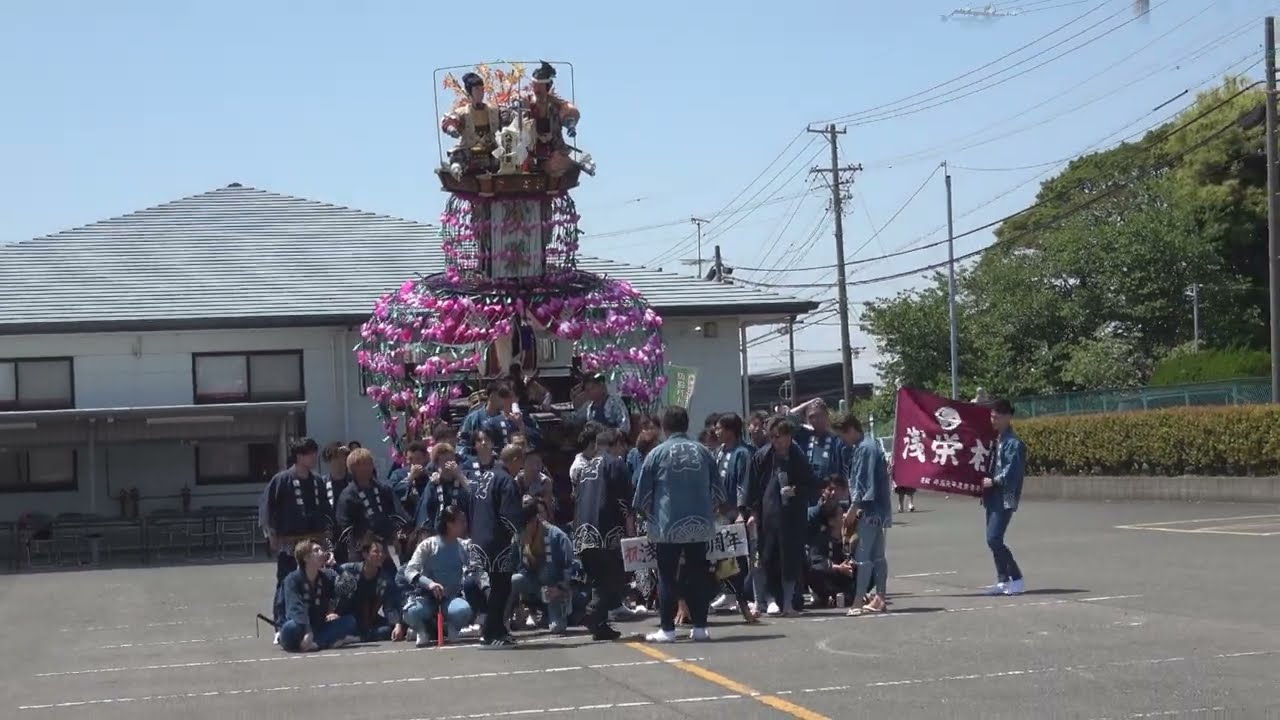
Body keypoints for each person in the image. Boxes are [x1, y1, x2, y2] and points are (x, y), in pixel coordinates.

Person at [634, 406, 722, 643]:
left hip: (668, 524)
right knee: (699, 573)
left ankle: (667, 629)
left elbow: (642, 497)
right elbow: (718, 492)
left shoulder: (656, 454)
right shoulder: (704, 452)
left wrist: (650, 517)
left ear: (664, 426)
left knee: (667, 576)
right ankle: (701, 627)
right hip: (700, 523)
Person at [742, 417, 814, 617]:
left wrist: (796, 490)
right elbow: (752, 489)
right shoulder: (762, 455)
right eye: (772, 437)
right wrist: (752, 513)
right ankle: (760, 601)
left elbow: (812, 482)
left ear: (789, 435)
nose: (776, 441)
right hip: (766, 515)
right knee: (761, 559)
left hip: (792, 516)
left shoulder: (797, 456)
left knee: (789, 560)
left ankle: (789, 603)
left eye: (780, 436)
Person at [263, 437, 333, 636]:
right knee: (286, 582)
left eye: (314, 453)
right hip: (289, 540)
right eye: (309, 453)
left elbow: (326, 511)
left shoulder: (318, 481)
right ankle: (281, 626)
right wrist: (272, 534)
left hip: (313, 540)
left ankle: (312, 623)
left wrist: (327, 535)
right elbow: (268, 509)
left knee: (315, 581)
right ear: (299, 456)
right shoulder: (281, 480)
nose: (313, 457)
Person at [571, 427, 632, 641]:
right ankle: (592, 614)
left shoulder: (585, 469)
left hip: (583, 532)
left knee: (598, 580)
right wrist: (630, 532)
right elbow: (624, 503)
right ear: (614, 444)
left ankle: (600, 624)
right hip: (606, 532)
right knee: (613, 579)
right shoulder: (615, 464)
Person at [468, 443, 526, 648]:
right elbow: (509, 515)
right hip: (496, 540)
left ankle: (498, 629)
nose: (521, 468)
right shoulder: (506, 480)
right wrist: (520, 527)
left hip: (479, 537)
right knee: (500, 587)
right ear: (514, 460)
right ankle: (490, 632)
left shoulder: (484, 477)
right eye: (520, 462)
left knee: (500, 585)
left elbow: (471, 506)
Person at [835, 412, 892, 616]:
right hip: (877, 508)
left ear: (850, 430)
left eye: (843, 435)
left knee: (864, 556)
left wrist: (852, 509)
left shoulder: (865, 448)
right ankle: (880, 597)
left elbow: (863, 483)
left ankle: (859, 600)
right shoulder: (869, 445)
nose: (844, 440)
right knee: (877, 556)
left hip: (869, 509)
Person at [402, 506, 475, 647]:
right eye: (461, 521)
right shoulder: (428, 545)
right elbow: (409, 570)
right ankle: (422, 631)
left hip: (450, 598)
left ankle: (452, 629)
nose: (464, 525)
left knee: (464, 610)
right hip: (426, 597)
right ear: (449, 524)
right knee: (410, 612)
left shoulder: (462, 546)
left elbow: (473, 569)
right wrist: (429, 583)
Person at [709, 413, 753, 620]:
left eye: (720, 428)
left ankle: (743, 594)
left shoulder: (743, 453)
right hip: (720, 510)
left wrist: (741, 511)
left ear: (730, 430)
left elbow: (743, 483)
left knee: (739, 555)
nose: (716, 432)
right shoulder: (719, 452)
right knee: (722, 554)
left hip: (735, 511)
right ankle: (727, 593)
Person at [279, 539, 359, 652]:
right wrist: (307, 631)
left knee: (350, 621)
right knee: (291, 627)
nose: (322, 553)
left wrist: (335, 566)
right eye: (316, 550)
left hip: (318, 626)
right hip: (299, 626)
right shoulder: (292, 579)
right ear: (305, 557)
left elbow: (350, 585)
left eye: (321, 549)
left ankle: (314, 644)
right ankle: (321, 642)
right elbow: (295, 607)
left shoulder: (326, 577)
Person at [512, 496, 576, 635]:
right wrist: (518, 604)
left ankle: (558, 611)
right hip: (533, 586)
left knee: (557, 629)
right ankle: (503, 621)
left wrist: (560, 588)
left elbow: (573, 567)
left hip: (555, 589)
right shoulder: (518, 537)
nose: (521, 533)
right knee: (513, 581)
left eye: (524, 528)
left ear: (534, 521)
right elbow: (515, 566)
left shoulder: (557, 536)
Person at [983, 399, 1027, 596]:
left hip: (1005, 496)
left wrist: (994, 481)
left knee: (994, 538)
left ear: (1008, 417)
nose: (993, 421)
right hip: (991, 496)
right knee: (992, 539)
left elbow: (1012, 472)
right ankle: (1002, 579)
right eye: (992, 417)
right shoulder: (995, 440)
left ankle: (1016, 577)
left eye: (997, 417)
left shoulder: (1014, 444)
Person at [336, 447, 409, 564]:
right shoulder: (347, 495)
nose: (368, 468)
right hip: (363, 550)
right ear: (353, 469)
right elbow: (344, 525)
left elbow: (397, 512)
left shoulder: (383, 489)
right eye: (362, 465)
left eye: (370, 463)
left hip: (387, 544)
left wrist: (397, 536)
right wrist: (354, 549)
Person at [334, 535, 407, 642]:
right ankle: (357, 636)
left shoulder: (384, 579)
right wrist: (330, 611)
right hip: (345, 617)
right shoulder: (348, 570)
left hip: (368, 620)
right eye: (376, 552)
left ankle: (357, 638)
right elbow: (331, 593)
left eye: (382, 552)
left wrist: (397, 625)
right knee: (348, 623)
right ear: (365, 554)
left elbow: (389, 606)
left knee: (389, 629)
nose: (381, 555)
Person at [524, 60, 580, 178]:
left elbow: (569, 112)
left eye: (540, 85)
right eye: (535, 85)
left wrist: (570, 124)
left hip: (552, 149)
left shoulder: (556, 104)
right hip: (529, 150)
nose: (537, 89)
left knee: (566, 166)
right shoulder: (525, 102)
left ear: (548, 87)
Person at [807, 478, 856, 608]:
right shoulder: (820, 533)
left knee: (864, 568)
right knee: (814, 571)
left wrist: (850, 563)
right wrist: (838, 568)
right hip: (827, 572)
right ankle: (825, 595)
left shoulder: (847, 536)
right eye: (830, 489)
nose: (844, 518)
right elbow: (816, 560)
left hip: (842, 574)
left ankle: (850, 594)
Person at [415, 442, 471, 537]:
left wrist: (459, 475)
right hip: (438, 535)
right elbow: (425, 511)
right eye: (445, 461)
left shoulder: (463, 479)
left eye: (451, 459)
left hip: (462, 535)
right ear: (437, 463)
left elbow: (473, 496)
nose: (449, 464)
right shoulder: (433, 484)